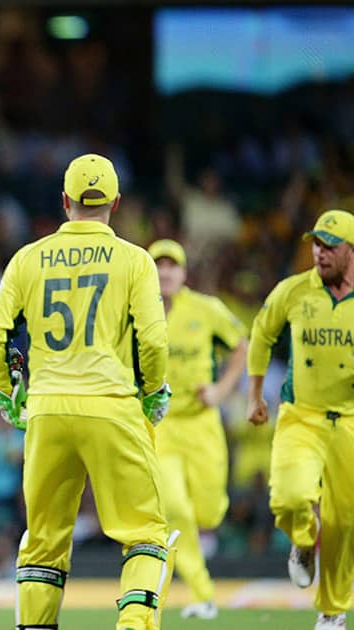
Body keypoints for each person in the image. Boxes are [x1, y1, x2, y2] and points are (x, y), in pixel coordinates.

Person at [0, 154, 176, 630]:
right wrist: (152, 391)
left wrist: (10, 396)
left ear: (64, 201)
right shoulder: (135, 260)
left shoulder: (28, 258)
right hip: (112, 406)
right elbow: (152, 339)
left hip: (47, 410)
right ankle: (133, 626)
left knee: (44, 541)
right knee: (144, 535)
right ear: (116, 202)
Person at [246, 209, 354, 630]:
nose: (319, 253)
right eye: (316, 243)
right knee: (288, 498)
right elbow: (261, 332)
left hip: (348, 421)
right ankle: (304, 541)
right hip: (301, 415)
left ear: (350, 250)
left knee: (345, 522)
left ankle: (332, 612)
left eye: (329, 246)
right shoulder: (293, 291)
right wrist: (255, 395)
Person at [147, 238, 248, 620]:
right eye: (159, 265)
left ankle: (208, 519)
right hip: (162, 426)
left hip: (203, 424)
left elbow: (242, 346)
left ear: (184, 273)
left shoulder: (206, 310)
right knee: (174, 507)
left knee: (207, 514)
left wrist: (221, 391)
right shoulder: (137, 313)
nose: (165, 272)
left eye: (172, 266)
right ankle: (203, 593)